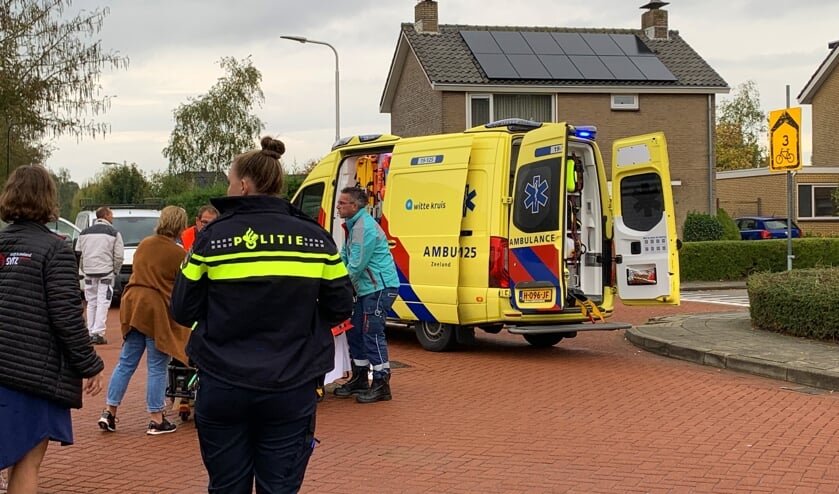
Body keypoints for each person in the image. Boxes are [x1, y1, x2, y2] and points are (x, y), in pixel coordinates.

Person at [170, 136, 354, 493]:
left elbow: (181, 308)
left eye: (228, 181)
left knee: (227, 486)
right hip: (291, 385)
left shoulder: (213, 238)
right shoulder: (316, 239)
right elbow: (340, 306)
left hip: (224, 382)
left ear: (242, 185)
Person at [0, 165, 104, 493]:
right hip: (32, 375)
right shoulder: (55, 249)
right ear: (48, 199)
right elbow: (66, 317)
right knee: (27, 461)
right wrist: (90, 366)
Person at [97, 205, 190, 436]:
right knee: (157, 365)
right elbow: (182, 287)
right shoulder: (178, 254)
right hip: (155, 311)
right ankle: (156, 419)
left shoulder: (144, 245)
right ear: (180, 225)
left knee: (126, 362)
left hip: (133, 306)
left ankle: (109, 412)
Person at [332, 187, 400, 403]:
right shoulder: (354, 226)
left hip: (379, 287)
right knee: (356, 332)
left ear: (355, 206)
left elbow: (355, 266)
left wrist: (336, 288)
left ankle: (381, 383)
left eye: (342, 203)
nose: (338, 206)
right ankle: (360, 378)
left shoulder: (363, 228)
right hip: (368, 288)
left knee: (372, 333)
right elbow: (344, 257)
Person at [76, 206, 124, 344]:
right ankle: (98, 332)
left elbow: (79, 253)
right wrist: (115, 270)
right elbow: (119, 256)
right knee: (103, 301)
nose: (112, 217)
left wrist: (84, 269)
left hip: (89, 273)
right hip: (106, 273)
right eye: (111, 214)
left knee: (91, 302)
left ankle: (90, 332)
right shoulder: (114, 233)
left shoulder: (84, 233)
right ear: (106, 215)